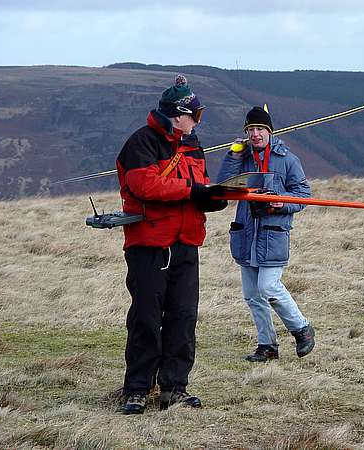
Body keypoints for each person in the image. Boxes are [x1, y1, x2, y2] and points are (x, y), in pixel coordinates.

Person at [115, 75, 227, 414]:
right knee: (146, 318)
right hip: (149, 244)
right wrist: (193, 192)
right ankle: (136, 389)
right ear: (178, 114)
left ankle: (174, 389)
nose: (197, 121)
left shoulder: (193, 145)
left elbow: (199, 185)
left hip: (186, 242)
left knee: (183, 317)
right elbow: (143, 186)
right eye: (195, 114)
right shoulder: (141, 142)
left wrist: (212, 198)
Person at [218, 106, 315, 362]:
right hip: (246, 235)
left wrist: (279, 204)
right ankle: (267, 346)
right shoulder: (243, 157)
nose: (255, 134)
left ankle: (302, 328)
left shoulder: (287, 160)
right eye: (250, 130)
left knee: (268, 286)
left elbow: (304, 196)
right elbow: (223, 187)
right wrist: (233, 154)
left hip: (272, 235)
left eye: (260, 129)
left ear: (270, 132)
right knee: (252, 295)